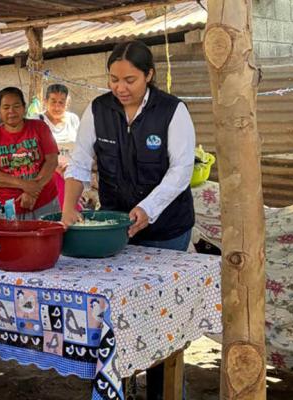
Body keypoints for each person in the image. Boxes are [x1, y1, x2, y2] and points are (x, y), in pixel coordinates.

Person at [60, 40, 196, 400]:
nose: (120, 88)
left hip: (167, 230)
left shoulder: (172, 110)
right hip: (115, 229)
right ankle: (116, 389)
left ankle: (166, 394)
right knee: (114, 316)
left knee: (162, 318)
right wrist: (68, 209)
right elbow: (78, 163)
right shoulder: (98, 109)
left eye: (130, 80)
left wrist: (148, 209)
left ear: (149, 76)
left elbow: (181, 172)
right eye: (113, 79)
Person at [0, 87, 60, 219]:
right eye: (6, 107)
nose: (11, 111)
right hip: (11, 208)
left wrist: (32, 192)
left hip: (46, 203)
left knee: (51, 239)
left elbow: (52, 161)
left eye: (16, 106)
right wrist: (25, 185)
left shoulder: (40, 127)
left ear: (24, 108)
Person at [38, 84, 81, 207]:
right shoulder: (37, 121)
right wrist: (55, 166)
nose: (57, 107)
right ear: (45, 101)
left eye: (61, 102)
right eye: (53, 101)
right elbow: (35, 150)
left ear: (67, 102)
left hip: (71, 173)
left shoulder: (73, 119)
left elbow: (80, 146)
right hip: (49, 175)